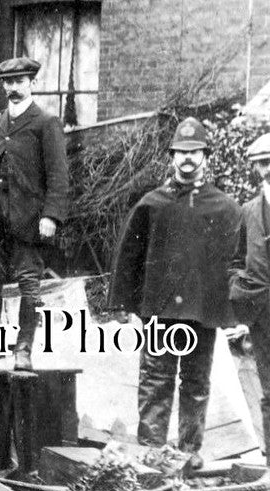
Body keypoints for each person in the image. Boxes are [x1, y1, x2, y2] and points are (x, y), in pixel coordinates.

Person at [110, 117, 241, 456]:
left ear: (206, 156)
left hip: (203, 312)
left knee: (196, 384)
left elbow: (237, 263)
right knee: (155, 380)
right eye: (181, 152)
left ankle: (187, 454)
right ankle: (151, 455)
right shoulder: (152, 205)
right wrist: (125, 304)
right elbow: (129, 257)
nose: (187, 158)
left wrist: (236, 310)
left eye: (194, 152)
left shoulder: (226, 208)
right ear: (171, 156)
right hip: (160, 311)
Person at [0, 57, 70, 371]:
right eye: (8, 83)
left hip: (28, 216)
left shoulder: (45, 122)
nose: (13, 88)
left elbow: (59, 176)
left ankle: (23, 351)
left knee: (29, 284)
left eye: (19, 81)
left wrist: (51, 215)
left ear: (32, 83)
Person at [229, 132, 270, 444]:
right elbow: (235, 261)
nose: (268, 169)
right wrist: (240, 297)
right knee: (268, 390)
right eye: (262, 164)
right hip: (262, 313)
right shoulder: (248, 212)